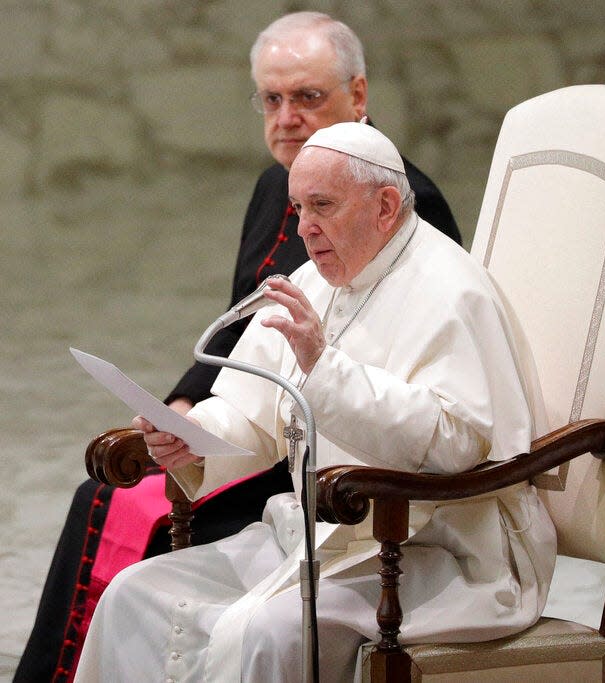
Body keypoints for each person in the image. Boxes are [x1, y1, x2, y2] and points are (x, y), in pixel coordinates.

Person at [15, 12, 460, 682]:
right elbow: (237, 334)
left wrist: (224, 420)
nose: (287, 117)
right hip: (262, 421)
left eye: (308, 97)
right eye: (272, 99)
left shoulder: (399, 202)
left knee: (111, 499)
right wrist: (184, 408)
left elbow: (397, 383)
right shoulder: (273, 187)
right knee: (113, 480)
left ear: (359, 96)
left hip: (331, 459)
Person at [74, 122, 555, 682]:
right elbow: (252, 412)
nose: (305, 228)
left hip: (436, 550)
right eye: (298, 208)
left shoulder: (453, 290)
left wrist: (325, 369)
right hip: (315, 537)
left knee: (266, 630)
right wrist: (191, 435)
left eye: (322, 206)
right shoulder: (317, 280)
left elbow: (455, 444)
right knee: (134, 594)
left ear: (385, 205)